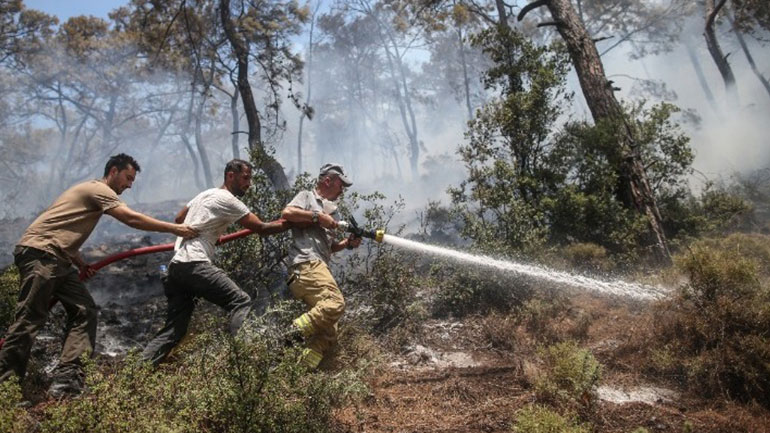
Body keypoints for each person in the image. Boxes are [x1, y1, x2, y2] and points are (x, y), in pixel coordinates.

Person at [0, 153, 198, 398]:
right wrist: (175, 228)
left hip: (58, 259)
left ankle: (67, 380)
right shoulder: (99, 189)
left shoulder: (89, 191)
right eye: (128, 177)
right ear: (113, 171)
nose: (129, 184)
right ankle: (6, 391)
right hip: (43, 256)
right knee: (29, 320)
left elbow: (61, 227)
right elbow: (131, 218)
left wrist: (80, 262)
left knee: (84, 311)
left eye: (133, 180)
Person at [141, 159, 291, 366]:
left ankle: (137, 372)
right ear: (231, 175)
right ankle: (243, 362)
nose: (249, 184)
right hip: (194, 264)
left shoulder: (205, 194)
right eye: (246, 178)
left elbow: (179, 218)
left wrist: (210, 231)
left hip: (175, 267)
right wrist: (293, 222)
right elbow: (262, 228)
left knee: (175, 329)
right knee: (241, 301)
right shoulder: (229, 200)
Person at [280, 163, 362, 369]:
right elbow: (288, 213)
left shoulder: (333, 211)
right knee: (335, 303)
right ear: (328, 180)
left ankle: (303, 370)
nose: (342, 190)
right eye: (340, 184)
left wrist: (347, 244)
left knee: (329, 331)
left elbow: (329, 247)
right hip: (306, 264)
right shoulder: (308, 197)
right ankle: (289, 336)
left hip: (316, 266)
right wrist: (317, 216)